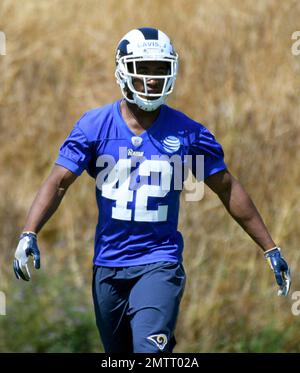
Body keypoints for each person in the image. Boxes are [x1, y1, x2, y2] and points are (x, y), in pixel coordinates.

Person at [13, 27, 291, 353]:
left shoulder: (188, 133)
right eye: (144, 68)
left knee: (150, 352)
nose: (153, 78)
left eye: (160, 68)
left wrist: (270, 247)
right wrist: (29, 232)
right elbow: (59, 182)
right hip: (108, 265)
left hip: (159, 263)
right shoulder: (94, 126)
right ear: (122, 70)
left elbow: (226, 188)